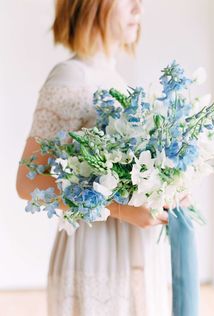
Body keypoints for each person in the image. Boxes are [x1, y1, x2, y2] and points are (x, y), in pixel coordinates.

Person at [16, 0, 188, 315]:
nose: (139, 9)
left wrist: (165, 188)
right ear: (94, 5)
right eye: (128, 0)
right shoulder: (70, 77)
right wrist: (120, 210)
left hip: (133, 256)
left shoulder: (116, 78)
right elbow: (28, 184)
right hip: (96, 256)